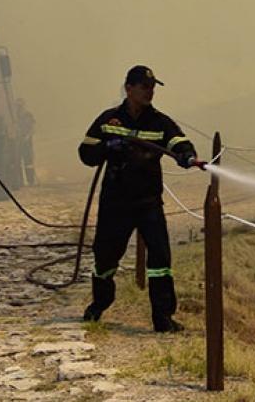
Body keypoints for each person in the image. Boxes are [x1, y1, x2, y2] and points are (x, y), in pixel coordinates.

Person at [78, 65, 205, 331]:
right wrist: (107, 147)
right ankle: (100, 302)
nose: (150, 92)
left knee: (160, 260)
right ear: (129, 88)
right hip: (116, 202)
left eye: (152, 88)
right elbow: (86, 153)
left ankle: (163, 317)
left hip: (148, 202)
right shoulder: (109, 119)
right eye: (145, 87)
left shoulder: (159, 122)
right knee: (105, 257)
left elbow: (178, 142)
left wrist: (187, 156)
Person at [16, 98, 37, 185]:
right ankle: (20, 181)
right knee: (17, 162)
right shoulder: (14, 116)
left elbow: (33, 127)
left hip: (26, 142)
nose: (19, 107)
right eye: (18, 106)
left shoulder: (28, 115)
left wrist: (28, 136)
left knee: (28, 162)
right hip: (16, 142)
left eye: (20, 105)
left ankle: (30, 180)